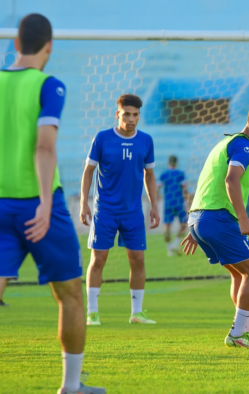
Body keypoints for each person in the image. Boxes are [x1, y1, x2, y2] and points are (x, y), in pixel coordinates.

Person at [0, 13, 105, 394]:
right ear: (49, 47)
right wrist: (43, 202)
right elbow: (44, 146)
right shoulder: (48, 86)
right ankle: (70, 386)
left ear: (16, 44)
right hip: (40, 207)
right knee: (70, 295)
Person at [181, 99, 249, 349]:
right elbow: (231, 180)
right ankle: (237, 334)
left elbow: (210, 180)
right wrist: (242, 217)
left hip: (200, 217)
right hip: (219, 218)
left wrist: (195, 226)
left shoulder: (225, 142)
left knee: (240, 273)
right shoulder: (245, 146)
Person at [80, 94, 160, 326]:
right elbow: (88, 171)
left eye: (135, 115)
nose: (131, 119)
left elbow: (149, 175)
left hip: (133, 212)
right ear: (118, 114)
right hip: (105, 210)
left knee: (138, 260)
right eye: (126, 114)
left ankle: (137, 313)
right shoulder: (102, 138)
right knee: (98, 259)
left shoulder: (146, 140)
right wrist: (84, 202)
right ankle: (92, 312)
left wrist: (154, 206)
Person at [159, 155, 188, 256]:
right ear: (176, 163)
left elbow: (158, 186)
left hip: (168, 203)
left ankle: (169, 249)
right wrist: (188, 199)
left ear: (168, 162)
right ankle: (175, 243)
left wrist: (156, 198)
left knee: (167, 226)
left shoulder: (164, 174)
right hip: (179, 202)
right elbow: (184, 187)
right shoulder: (180, 174)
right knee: (184, 224)